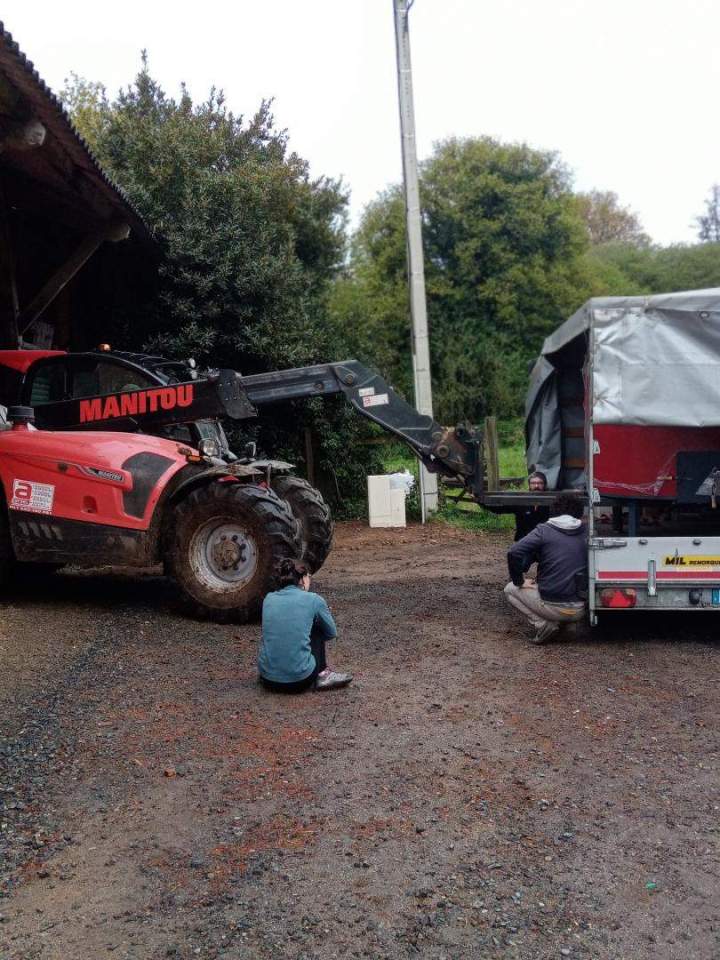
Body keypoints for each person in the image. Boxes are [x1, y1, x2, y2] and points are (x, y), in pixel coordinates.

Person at [504, 493, 587, 645]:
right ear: (579, 512)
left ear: (553, 510)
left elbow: (514, 552)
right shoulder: (586, 531)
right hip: (580, 609)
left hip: (552, 605)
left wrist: (519, 581)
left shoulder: (544, 530)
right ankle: (568, 625)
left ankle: (543, 624)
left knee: (510, 589)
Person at [258, 559, 353, 692]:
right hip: (300, 680)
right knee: (317, 627)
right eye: (308, 576)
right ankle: (323, 674)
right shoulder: (314, 599)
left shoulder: (268, 599)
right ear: (302, 580)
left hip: (268, 679)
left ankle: (275, 668)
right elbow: (331, 633)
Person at [513, 470, 550, 541]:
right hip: (524, 540)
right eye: (533, 483)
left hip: (545, 540)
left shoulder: (551, 502)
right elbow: (499, 508)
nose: (536, 486)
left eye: (540, 483)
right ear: (529, 485)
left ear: (544, 484)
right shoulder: (521, 501)